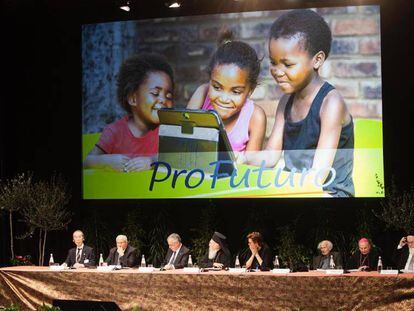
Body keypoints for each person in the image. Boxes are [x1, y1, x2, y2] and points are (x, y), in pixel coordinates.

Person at [246, 9, 354, 197]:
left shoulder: (331, 103)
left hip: (330, 193)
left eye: (287, 64)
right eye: (273, 62)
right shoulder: (286, 101)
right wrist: (241, 157)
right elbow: (271, 156)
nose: (277, 71)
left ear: (317, 60)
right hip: (298, 190)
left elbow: (318, 176)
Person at [84, 53, 174, 172]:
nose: (163, 100)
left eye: (168, 96)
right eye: (155, 93)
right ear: (133, 98)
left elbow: (179, 159)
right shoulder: (114, 131)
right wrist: (105, 162)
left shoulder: (169, 131)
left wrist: (152, 161)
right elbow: (86, 161)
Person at [187, 30, 266, 155]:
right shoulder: (202, 93)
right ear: (210, 80)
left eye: (235, 92)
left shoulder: (255, 116)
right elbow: (181, 139)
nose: (224, 99)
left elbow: (251, 168)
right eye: (217, 87)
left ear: (250, 90)